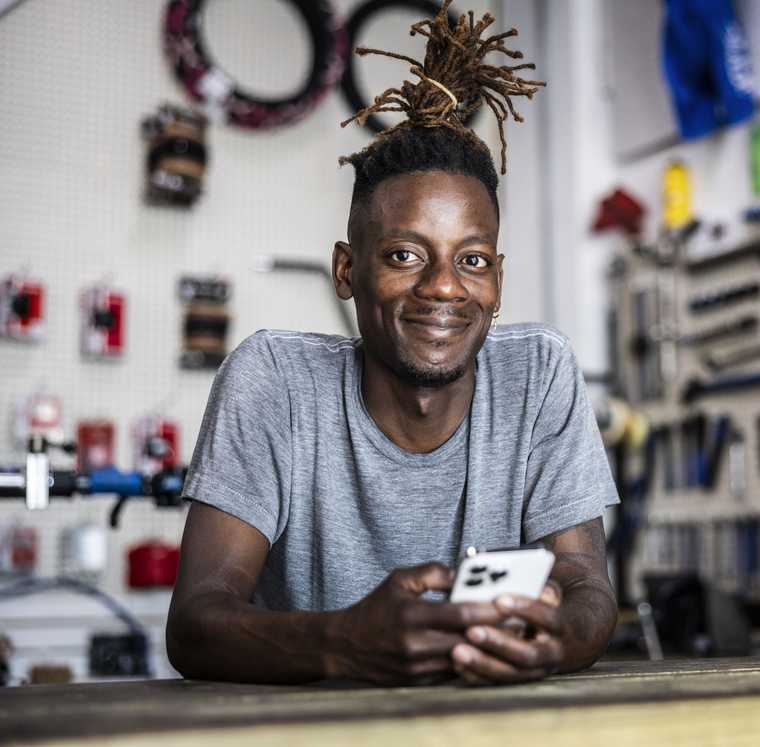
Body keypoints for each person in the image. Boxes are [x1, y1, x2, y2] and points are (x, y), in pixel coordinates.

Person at [166, 0, 619, 687]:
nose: (444, 288)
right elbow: (196, 622)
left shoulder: (541, 373)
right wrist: (342, 643)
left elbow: (589, 587)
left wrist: (559, 639)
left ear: (496, 278)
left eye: (472, 260)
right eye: (407, 254)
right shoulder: (273, 380)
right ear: (348, 270)